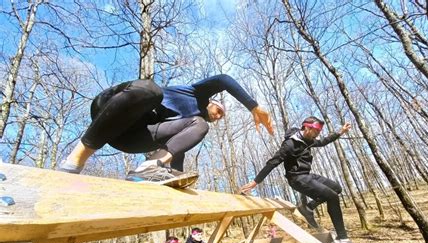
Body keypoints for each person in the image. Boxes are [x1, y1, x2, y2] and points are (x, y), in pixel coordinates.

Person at [59, 74, 274, 181]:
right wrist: (253, 107)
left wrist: (177, 178)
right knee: (152, 90)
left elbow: (176, 151)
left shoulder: (194, 122)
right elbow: (224, 80)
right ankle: (75, 161)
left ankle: (146, 169)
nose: (218, 117)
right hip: (112, 110)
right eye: (218, 111)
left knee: (199, 126)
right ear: (211, 101)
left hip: (128, 138)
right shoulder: (195, 93)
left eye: (221, 117)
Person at [239, 116, 363, 243]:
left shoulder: (308, 140)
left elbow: (323, 142)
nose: (318, 134)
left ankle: (308, 207)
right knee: (332, 197)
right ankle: (343, 239)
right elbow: (273, 162)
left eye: (319, 131)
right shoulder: (290, 144)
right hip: (296, 178)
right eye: (316, 131)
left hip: (307, 175)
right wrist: (256, 181)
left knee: (337, 188)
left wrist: (340, 132)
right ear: (307, 127)